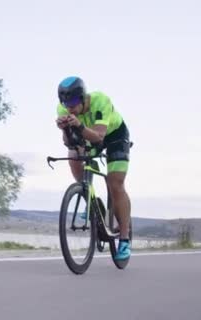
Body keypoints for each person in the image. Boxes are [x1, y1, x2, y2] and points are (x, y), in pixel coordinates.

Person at [55, 76, 132, 260]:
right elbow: (69, 143)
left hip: (114, 136)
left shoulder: (100, 101)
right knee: (74, 156)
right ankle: (89, 196)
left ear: (82, 97)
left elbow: (98, 137)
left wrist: (79, 125)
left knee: (115, 184)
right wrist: (65, 129)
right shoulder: (63, 109)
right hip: (87, 134)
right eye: (65, 103)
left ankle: (124, 239)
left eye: (73, 102)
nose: (69, 107)